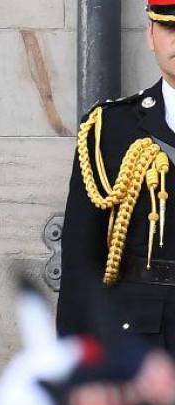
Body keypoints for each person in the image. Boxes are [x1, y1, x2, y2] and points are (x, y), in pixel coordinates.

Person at [57, 0, 175, 347]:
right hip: (138, 335)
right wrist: (78, 361)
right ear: (151, 34)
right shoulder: (109, 130)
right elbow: (82, 257)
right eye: (170, 29)